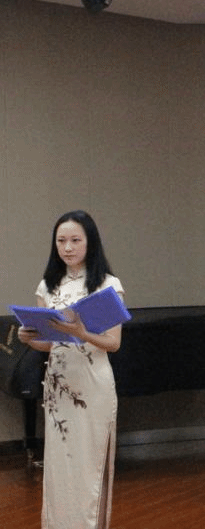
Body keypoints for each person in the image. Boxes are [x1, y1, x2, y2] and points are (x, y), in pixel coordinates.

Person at [18, 210, 125, 529]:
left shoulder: (107, 285)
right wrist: (29, 338)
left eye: (75, 240)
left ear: (90, 242)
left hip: (93, 386)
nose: (67, 247)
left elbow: (113, 343)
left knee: (90, 466)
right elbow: (49, 344)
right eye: (61, 241)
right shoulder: (47, 286)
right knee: (60, 468)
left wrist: (81, 333)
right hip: (59, 386)